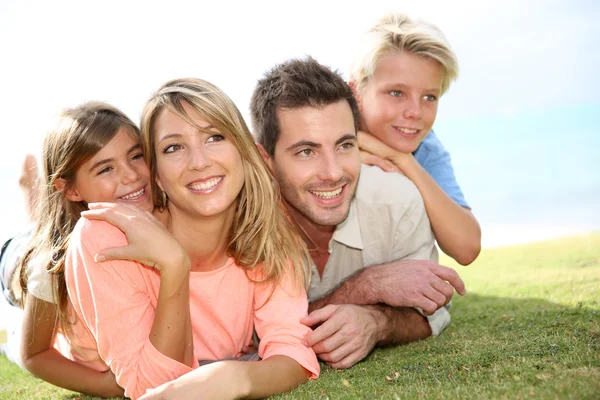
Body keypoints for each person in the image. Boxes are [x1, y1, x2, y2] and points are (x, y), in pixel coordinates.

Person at [63, 78, 319, 400]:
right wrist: (174, 265)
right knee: (24, 275)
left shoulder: (267, 229)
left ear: (244, 150)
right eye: (174, 147)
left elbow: (293, 353)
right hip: (79, 341)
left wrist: (234, 377)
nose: (199, 162)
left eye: (214, 137)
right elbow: (151, 389)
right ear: (156, 174)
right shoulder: (107, 236)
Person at [250, 57, 466, 369]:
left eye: (344, 145)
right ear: (265, 160)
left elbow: (430, 314)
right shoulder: (243, 223)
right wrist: (366, 286)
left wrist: (379, 323)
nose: (333, 172)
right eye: (306, 152)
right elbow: (251, 337)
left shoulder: (398, 201)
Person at [1, 102, 152, 397]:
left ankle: (35, 200)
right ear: (71, 189)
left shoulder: (161, 211)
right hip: (14, 261)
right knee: (33, 248)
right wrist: (102, 385)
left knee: (44, 227)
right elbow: (35, 354)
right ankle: (31, 195)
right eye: (106, 168)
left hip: (66, 219)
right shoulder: (54, 263)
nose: (131, 175)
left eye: (136, 156)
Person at [349, 12, 481, 265]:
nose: (415, 112)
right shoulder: (322, 123)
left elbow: (467, 248)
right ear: (356, 91)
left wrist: (403, 161)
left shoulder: (426, 148)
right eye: (397, 92)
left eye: (430, 97)